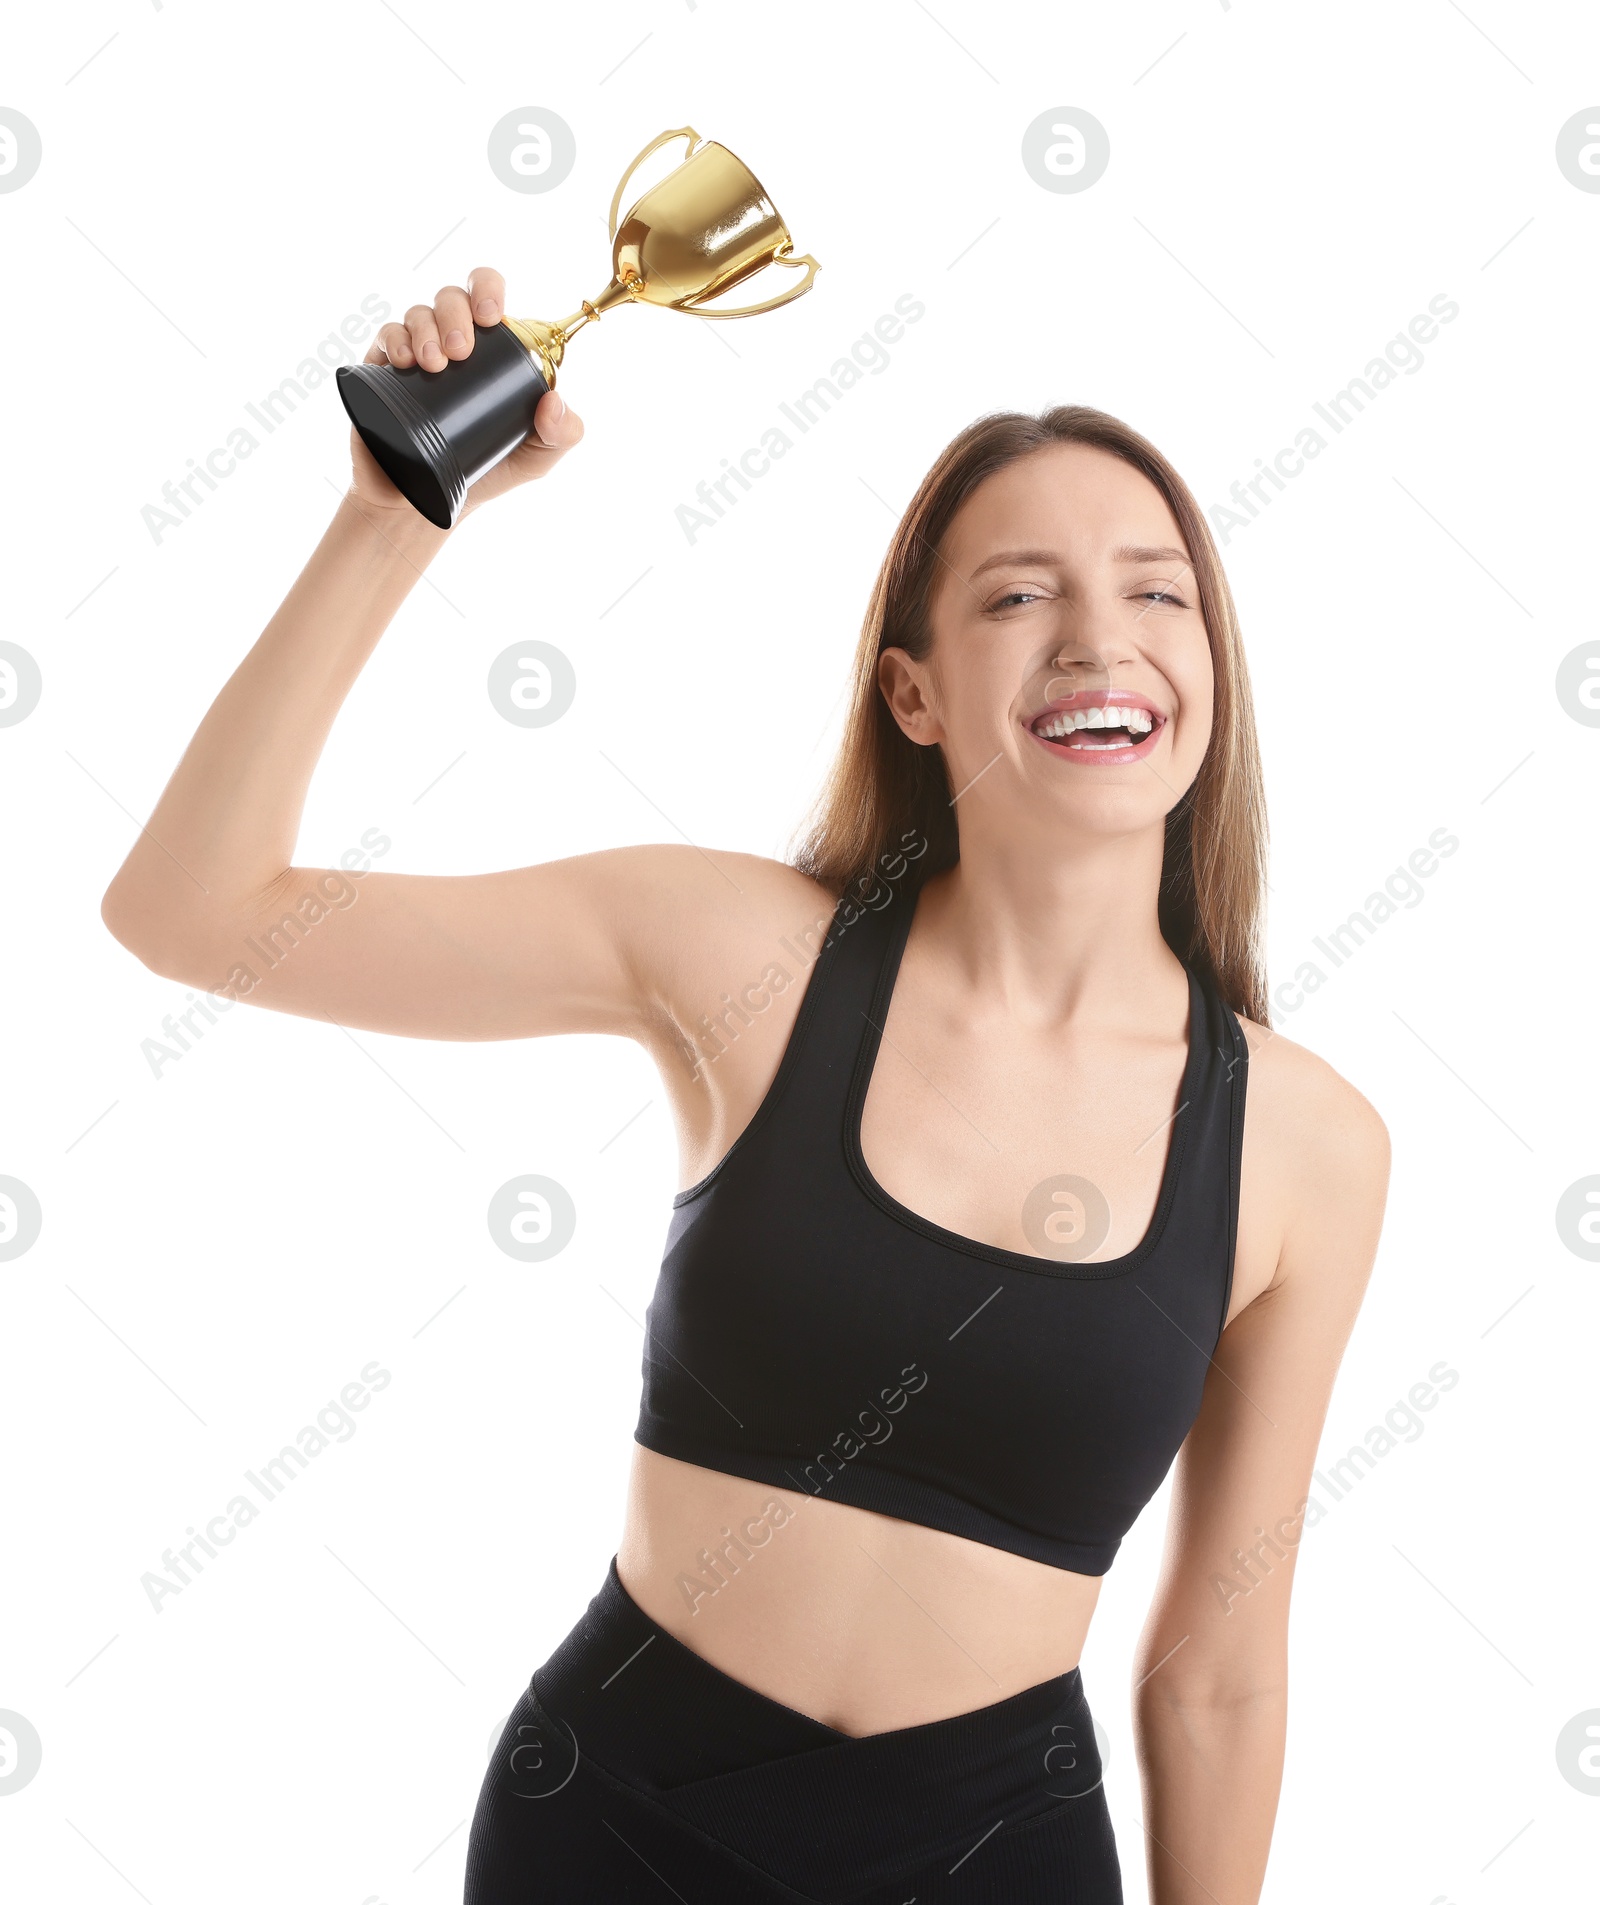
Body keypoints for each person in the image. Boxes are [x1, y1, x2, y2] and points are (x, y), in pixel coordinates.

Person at [102, 267, 1390, 1903]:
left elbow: (1218, 1669)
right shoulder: (731, 951)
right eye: (1015, 597)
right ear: (911, 691)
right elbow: (192, 912)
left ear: (1208, 671)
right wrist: (394, 513)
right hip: (616, 1826)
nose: (1097, 640)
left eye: (1157, 594)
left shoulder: (1308, 1144)